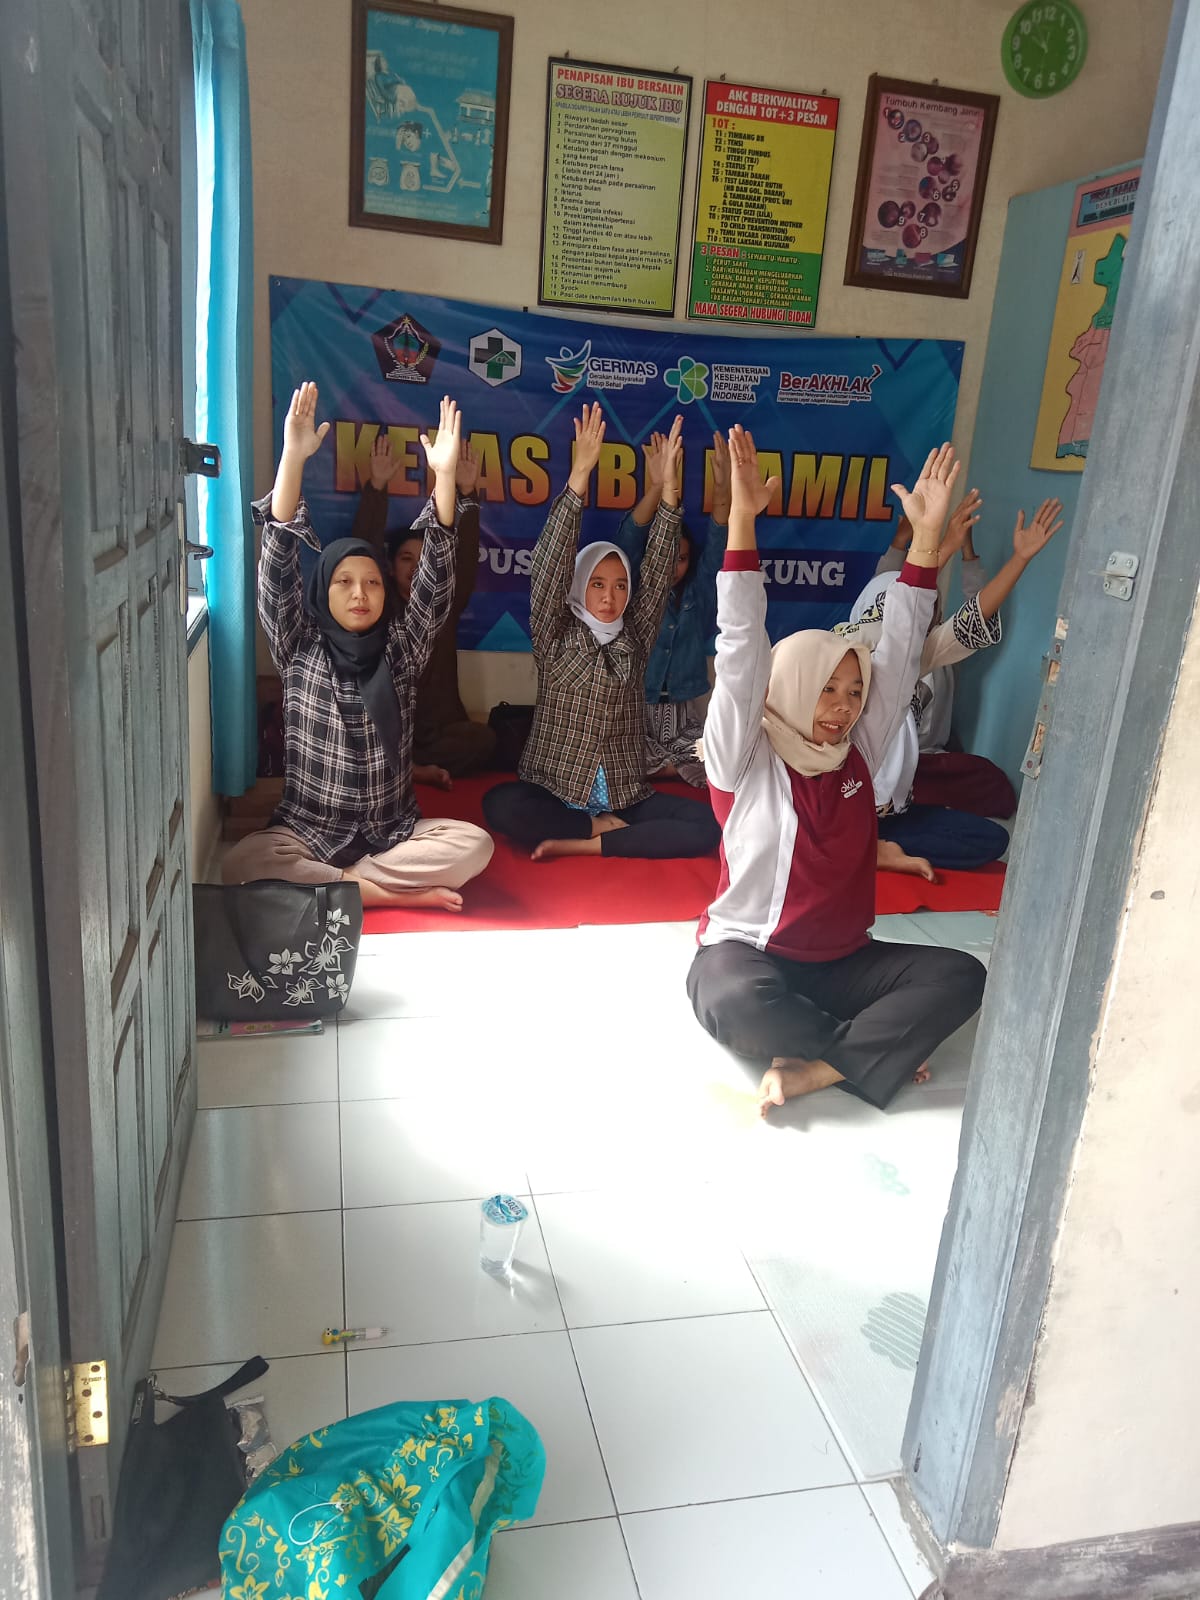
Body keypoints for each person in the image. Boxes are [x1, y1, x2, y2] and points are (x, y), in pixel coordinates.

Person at [686, 426, 987, 1116]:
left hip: (842, 964)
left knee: (961, 974)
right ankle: (861, 1050)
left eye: (853, 693)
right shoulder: (743, 755)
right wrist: (741, 520)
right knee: (729, 1001)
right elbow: (741, 649)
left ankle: (818, 1066)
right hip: (750, 953)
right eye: (826, 689)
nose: (843, 707)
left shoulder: (858, 752)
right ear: (790, 685)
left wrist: (926, 542)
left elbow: (902, 652)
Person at [222, 384, 493, 910]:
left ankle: (339, 885)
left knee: (474, 845)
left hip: (391, 831)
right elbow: (276, 562)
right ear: (323, 592)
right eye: (344, 583)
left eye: (371, 583)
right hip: (310, 830)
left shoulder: (402, 649)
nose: (360, 594)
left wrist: (444, 479)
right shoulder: (298, 645)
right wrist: (292, 457)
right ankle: (384, 891)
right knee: (241, 862)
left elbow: (437, 578)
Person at [482, 406, 722, 861]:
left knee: (708, 826)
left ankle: (590, 843)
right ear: (579, 585)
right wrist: (579, 477)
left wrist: (669, 491)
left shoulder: (636, 635)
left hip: (624, 794)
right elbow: (550, 565)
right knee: (500, 803)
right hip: (554, 788)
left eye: (619, 586)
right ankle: (591, 827)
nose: (610, 597)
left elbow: (657, 572)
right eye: (597, 584)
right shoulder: (555, 634)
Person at [847, 496, 1064, 877]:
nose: (925, 618)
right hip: (839, 806)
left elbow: (968, 621)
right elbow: (901, 602)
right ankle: (860, 846)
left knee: (991, 838)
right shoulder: (836, 653)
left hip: (894, 809)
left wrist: (1020, 559)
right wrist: (941, 542)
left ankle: (872, 846)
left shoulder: (912, 657)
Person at [351, 433, 497, 784]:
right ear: (389, 568)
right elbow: (361, 553)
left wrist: (467, 494)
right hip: (386, 732)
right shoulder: (375, 608)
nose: (415, 568)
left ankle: (406, 769)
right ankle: (408, 769)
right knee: (353, 738)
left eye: (423, 560)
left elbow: (463, 560)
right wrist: (377, 487)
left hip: (436, 737)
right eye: (406, 559)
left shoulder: (442, 607)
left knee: (484, 740)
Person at [609, 429, 732, 786]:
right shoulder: (634, 589)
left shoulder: (698, 592)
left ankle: (666, 767)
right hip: (637, 707)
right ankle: (670, 768)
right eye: (666, 556)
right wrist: (658, 487)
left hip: (684, 712)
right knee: (613, 753)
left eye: (681, 559)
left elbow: (719, 541)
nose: (671, 566)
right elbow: (629, 538)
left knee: (718, 756)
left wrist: (722, 489)